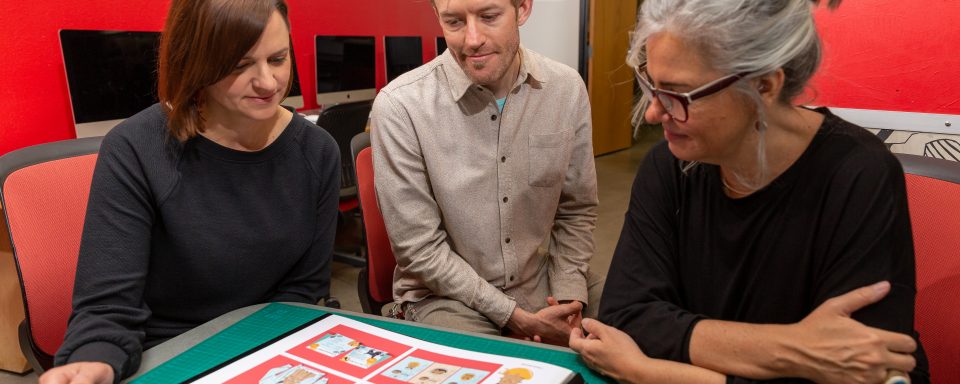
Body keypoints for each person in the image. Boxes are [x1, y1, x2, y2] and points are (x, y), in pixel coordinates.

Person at [569, 0, 929, 382]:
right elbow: (627, 316)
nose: (655, 113)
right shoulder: (669, 165)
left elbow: (866, 369)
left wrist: (649, 371)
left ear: (764, 85)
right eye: (651, 84)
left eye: (679, 94)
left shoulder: (858, 175)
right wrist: (796, 349)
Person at [40, 0, 340, 382]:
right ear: (196, 63)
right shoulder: (136, 148)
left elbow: (304, 291)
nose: (267, 83)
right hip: (167, 350)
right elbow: (108, 308)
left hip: (268, 344)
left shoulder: (318, 151)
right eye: (239, 65)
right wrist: (95, 359)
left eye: (278, 59)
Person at [370, 0, 603, 345]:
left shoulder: (566, 90)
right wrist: (518, 318)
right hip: (447, 296)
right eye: (454, 22)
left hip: (536, 278)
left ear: (523, 9)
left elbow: (576, 208)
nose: (472, 39)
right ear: (437, 18)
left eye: (489, 17)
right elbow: (420, 251)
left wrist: (568, 298)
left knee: (641, 322)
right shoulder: (401, 107)